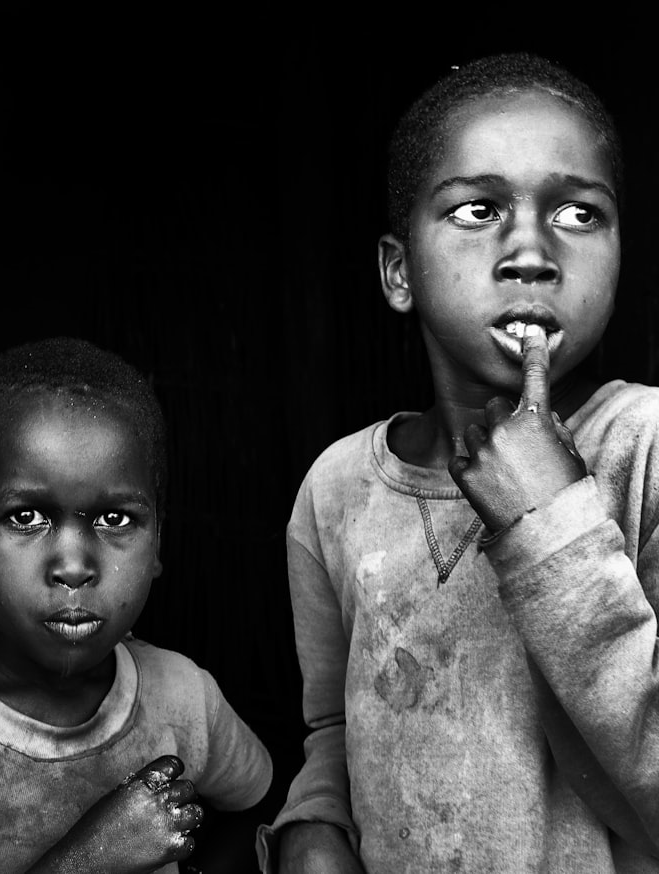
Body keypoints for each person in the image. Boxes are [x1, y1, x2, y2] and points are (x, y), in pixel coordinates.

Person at [258, 52, 659, 873]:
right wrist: (314, 824)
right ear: (399, 272)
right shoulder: (337, 490)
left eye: (579, 214)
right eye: (478, 210)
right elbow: (336, 728)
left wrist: (554, 526)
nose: (531, 252)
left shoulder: (645, 447)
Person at [0, 337, 272, 873]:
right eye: (27, 517)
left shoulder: (185, 697)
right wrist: (88, 860)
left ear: (158, 544)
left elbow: (257, 807)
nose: (74, 566)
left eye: (114, 519)